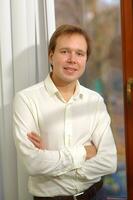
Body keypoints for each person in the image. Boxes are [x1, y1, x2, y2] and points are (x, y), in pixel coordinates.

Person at [13, 24, 117, 200]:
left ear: (85, 59)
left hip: (94, 195)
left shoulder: (94, 101)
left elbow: (109, 162)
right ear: (51, 55)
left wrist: (52, 163)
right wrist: (84, 152)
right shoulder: (26, 100)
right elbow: (33, 164)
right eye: (65, 51)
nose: (72, 59)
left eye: (79, 53)